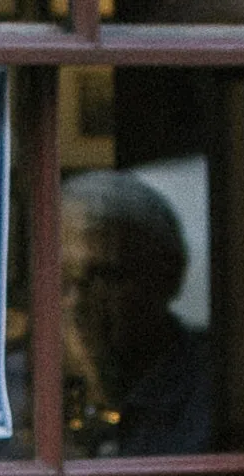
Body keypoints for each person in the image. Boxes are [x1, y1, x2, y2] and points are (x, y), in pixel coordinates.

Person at [60, 170, 218, 457]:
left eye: (103, 278)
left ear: (167, 278)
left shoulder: (214, 389)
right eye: (60, 279)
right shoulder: (16, 379)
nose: (74, 301)